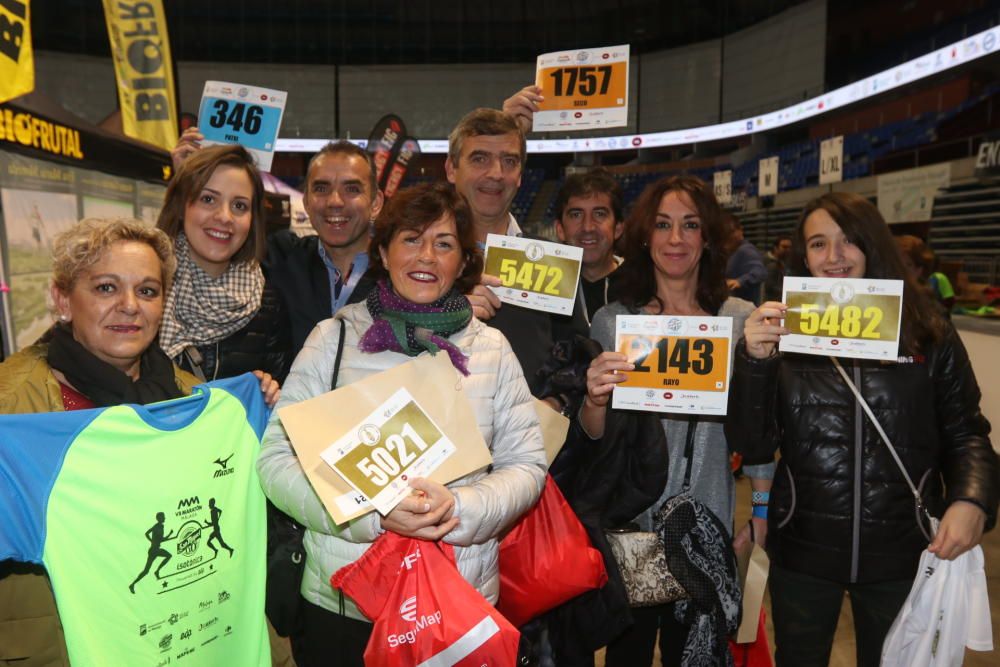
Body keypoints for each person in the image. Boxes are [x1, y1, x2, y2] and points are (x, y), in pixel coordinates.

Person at [256, 182, 547, 667]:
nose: (426, 256)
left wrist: (458, 508)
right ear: (385, 252)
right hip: (345, 601)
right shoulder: (333, 338)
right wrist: (368, 515)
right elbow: (275, 460)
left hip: (455, 602)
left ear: (463, 261)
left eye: (445, 243)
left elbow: (527, 467)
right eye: (411, 238)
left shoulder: (491, 349)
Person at [727, 192, 998, 667]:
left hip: (904, 552)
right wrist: (754, 363)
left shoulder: (927, 329)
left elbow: (966, 431)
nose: (833, 257)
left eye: (848, 240)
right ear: (802, 256)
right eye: (818, 244)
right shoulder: (782, 334)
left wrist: (972, 498)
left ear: (872, 244)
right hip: (803, 550)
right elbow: (752, 443)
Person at [0, 218, 280, 667]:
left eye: (147, 291)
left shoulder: (193, 398)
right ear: (62, 300)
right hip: (59, 647)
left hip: (187, 639)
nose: (130, 306)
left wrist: (260, 410)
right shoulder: (13, 413)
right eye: (107, 288)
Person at [581, 176, 774, 666]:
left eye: (690, 225)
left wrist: (762, 510)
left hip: (707, 528)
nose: (675, 239)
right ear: (645, 236)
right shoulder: (614, 321)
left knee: (698, 657)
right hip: (631, 532)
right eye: (663, 225)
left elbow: (759, 426)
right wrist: (594, 399)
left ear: (707, 237)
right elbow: (593, 439)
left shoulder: (737, 320)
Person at [447, 108, 588, 399]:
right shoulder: (421, 258)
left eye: (509, 161)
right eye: (479, 158)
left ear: (520, 175)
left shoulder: (552, 260)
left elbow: (577, 355)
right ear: (451, 168)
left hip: (528, 437)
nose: (496, 173)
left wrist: (558, 403)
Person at [157, 144, 291, 382]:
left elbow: (282, 398)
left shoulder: (267, 303)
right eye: (208, 199)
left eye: (239, 206)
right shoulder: (149, 290)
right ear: (181, 207)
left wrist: (270, 394)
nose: (224, 217)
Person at [266, 141, 385, 353]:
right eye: (321, 188)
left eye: (351, 189)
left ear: (375, 203)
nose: (335, 201)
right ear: (307, 203)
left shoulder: (399, 276)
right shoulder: (281, 258)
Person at [553, 168, 625, 324]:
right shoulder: (543, 287)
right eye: (576, 215)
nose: (588, 227)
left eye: (599, 214)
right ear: (560, 229)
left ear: (618, 228)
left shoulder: (643, 285)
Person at [895, 234, 955, 316]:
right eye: (896, 264)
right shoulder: (883, 297)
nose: (900, 270)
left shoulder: (932, 309)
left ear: (919, 270)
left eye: (908, 265)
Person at [724, 216, 767, 304]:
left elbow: (760, 272)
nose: (729, 236)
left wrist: (740, 281)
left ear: (740, 230)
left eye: (731, 232)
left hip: (745, 309)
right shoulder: (733, 251)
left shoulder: (745, 249)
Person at [762, 235, 791, 302]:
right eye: (784, 247)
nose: (788, 250)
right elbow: (770, 287)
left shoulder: (783, 262)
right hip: (771, 304)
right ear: (775, 248)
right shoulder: (771, 264)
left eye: (790, 247)